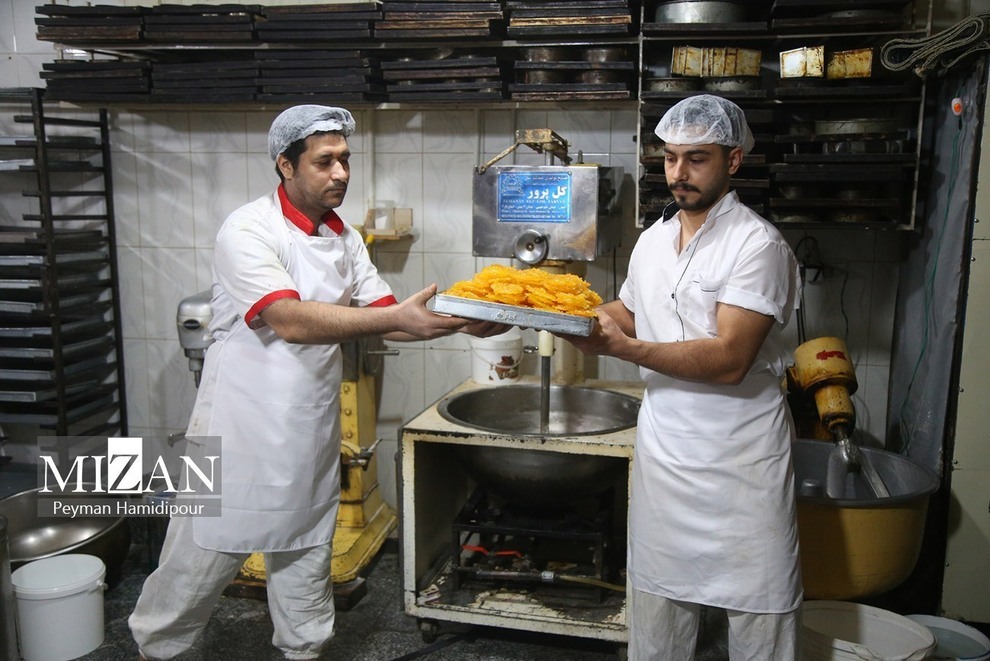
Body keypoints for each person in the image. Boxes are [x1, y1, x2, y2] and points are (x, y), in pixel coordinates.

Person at [129, 105, 502, 660]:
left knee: (305, 551)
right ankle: (159, 647)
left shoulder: (343, 237)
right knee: (201, 554)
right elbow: (289, 320)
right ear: (286, 165)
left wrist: (462, 320)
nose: (341, 173)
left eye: (345, 159)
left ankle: (304, 649)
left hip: (305, 424)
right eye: (325, 161)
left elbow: (386, 315)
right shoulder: (249, 229)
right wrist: (397, 317)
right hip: (240, 424)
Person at [559, 95, 803, 659]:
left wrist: (625, 349)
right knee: (658, 604)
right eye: (670, 158)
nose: (679, 173)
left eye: (697, 159)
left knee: (760, 609)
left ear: (732, 160)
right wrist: (551, 315)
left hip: (741, 459)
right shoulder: (653, 240)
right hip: (667, 453)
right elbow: (627, 311)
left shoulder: (757, 244)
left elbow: (730, 359)